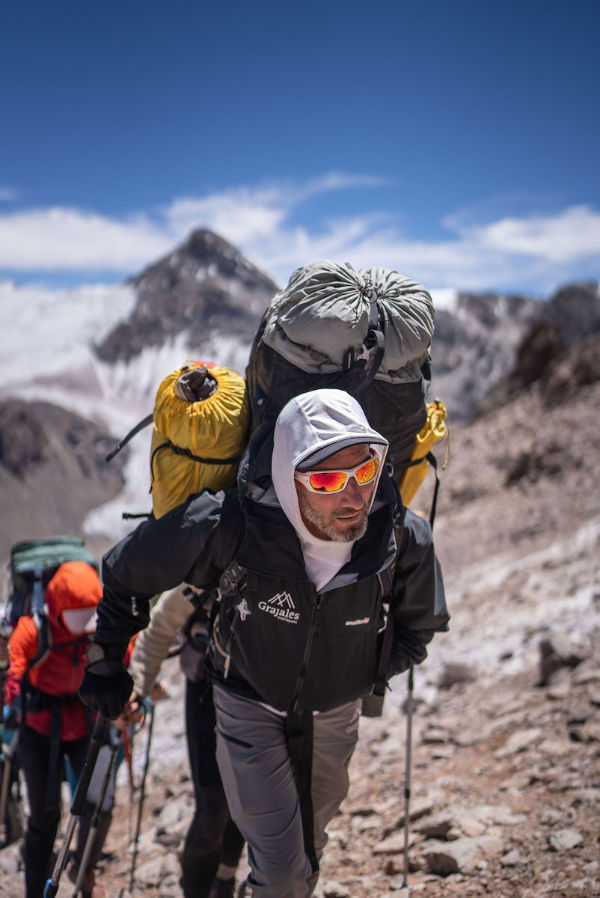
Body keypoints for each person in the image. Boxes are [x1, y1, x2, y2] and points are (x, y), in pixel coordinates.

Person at [79, 388, 449, 898]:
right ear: (287, 474)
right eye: (325, 479)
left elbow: (420, 622)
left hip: (336, 710)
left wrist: (368, 667)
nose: (353, 495)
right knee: (280, 872)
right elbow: (126, 569)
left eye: (364, 472)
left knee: (306, 856)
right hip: (248, 703)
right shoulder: (231, 524)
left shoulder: (396, 533)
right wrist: (106, 662)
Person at [126, 585, 245, 898]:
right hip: (208, 690)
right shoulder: (208, 568)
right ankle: (201, 889)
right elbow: (163, 622)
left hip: (257, 696)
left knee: (244, 799)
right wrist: (138, 685)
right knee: (213, 805)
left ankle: (224, 882)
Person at [5, 561, 109, 898]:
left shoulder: (101, 626)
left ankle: (83, 872)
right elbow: (14, 668)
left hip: (82, 724)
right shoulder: (34, 628)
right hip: (40, 731)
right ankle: (36, 891)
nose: (82, 629)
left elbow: (125, 656)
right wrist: (8, 697)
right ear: (54, 605)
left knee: (93, 807)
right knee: (45, 817)